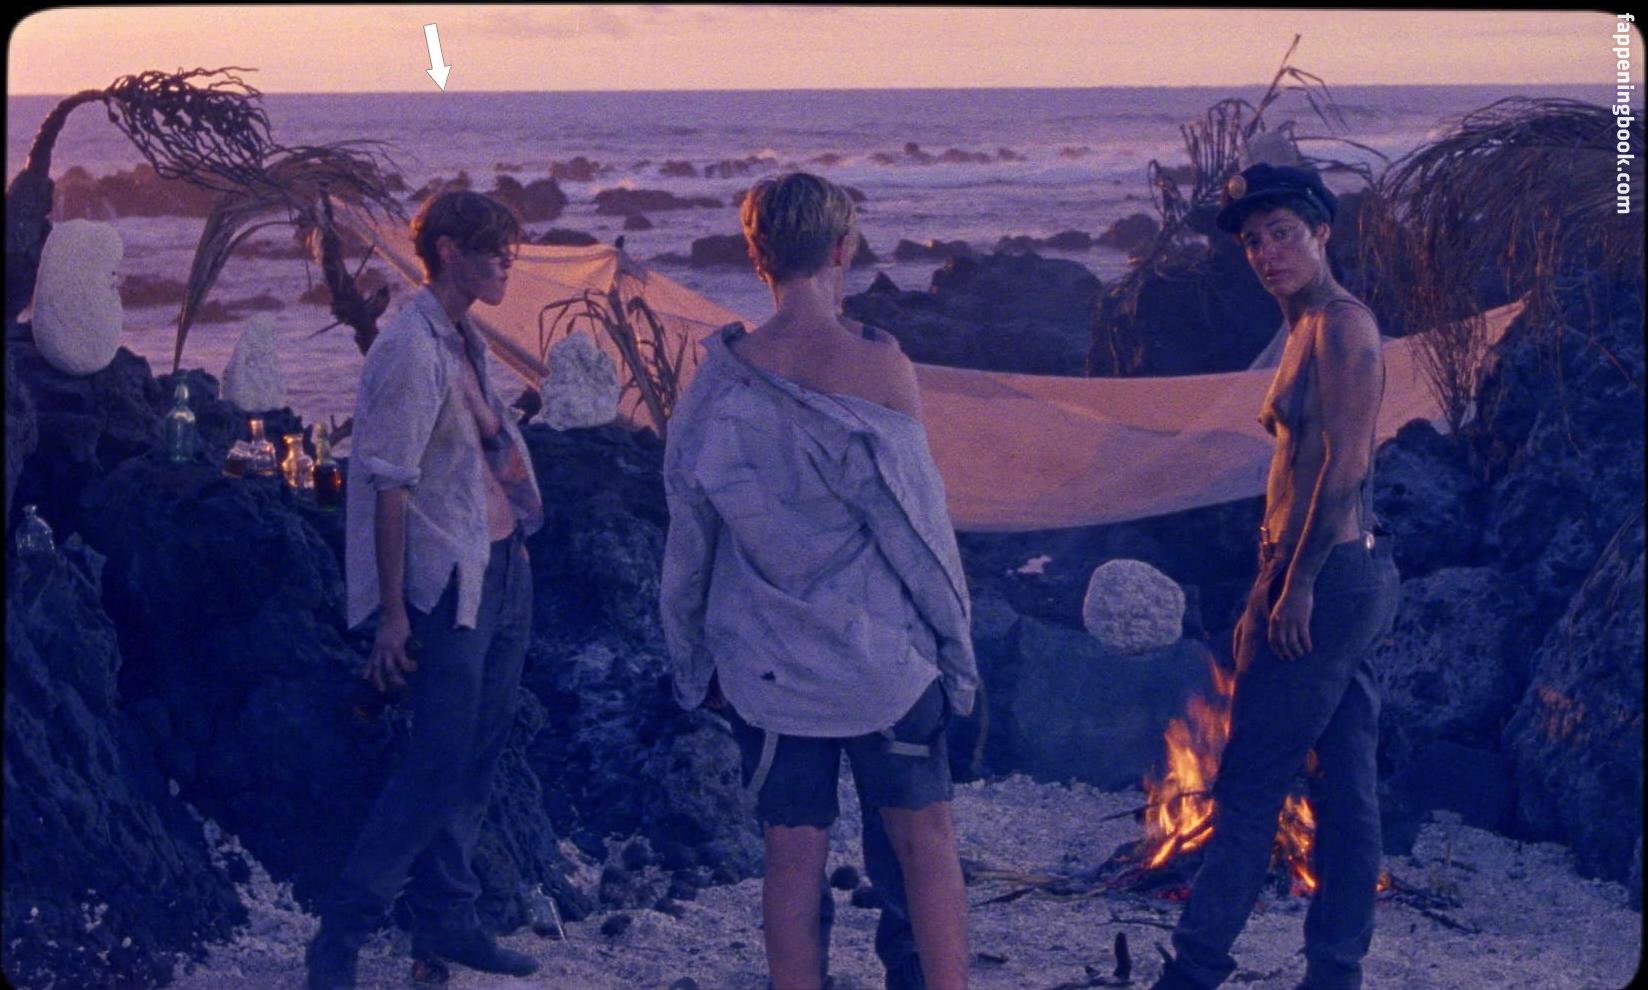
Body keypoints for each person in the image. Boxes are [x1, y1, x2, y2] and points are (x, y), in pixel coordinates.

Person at [661, 172, 977, 990]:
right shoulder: (878, 368)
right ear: (843, 249)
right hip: (881, 660)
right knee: (925, 844)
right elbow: (920, 537)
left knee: (792, 854)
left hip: (767, 667)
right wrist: (958, 655)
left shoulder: (718, 382)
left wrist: (693, 663)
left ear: (757, 256)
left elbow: (689, 542)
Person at [1152, 164, 1400, 990]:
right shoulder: (1304, 327)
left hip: (1327, 578)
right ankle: (1335, 972)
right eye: (1254, 241)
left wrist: (1294, 587)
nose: (1266, 253)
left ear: (1322, 233)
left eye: (1283, 234)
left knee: (1251, 783)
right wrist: (1273, 583)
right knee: (1347, 782)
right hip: (1331, 573)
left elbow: (1346, 465)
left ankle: (1194, 971)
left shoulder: (1342, 326)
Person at [306, 190, 545, 990]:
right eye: (494, 249)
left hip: (502, 567)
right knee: (435, 765)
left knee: (476, 757)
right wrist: (392, 615)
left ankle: (447, 919)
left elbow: (477, 449)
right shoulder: (409, 345)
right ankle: (340, 937)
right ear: (447, 250)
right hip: (447, 582)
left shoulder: (462, 333)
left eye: (512, 249)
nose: (508, 262)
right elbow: (387, 482)